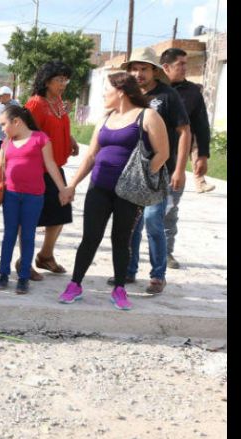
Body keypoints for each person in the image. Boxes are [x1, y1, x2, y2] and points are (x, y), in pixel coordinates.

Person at [58, 73, 169, 310]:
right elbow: (90, 156)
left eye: (106, 90)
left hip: (128, 193)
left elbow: (163, 153)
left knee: (121, 240)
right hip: (98, 187)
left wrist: (139, 178)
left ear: (120, 91)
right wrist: (72, 185)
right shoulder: (105, 118)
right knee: (90, 238)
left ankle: (119, 288)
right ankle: (75, 284)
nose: (103, 95)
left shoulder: (147, 115)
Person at [122, 48, 191, 294]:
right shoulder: (127, 95)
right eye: (134, 69)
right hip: (131, 171)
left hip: (160, 170)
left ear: (154, 71)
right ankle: (128, 271)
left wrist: (180, 169)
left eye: (144, 69)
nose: (138, 73)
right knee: (131, 223)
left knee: (153, 221)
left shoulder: (167, 95)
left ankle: (157, 275)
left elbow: (184, 131)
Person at [0, 105, 70, 294]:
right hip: (10, 195)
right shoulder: (7, 142)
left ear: (17, 121)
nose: (2, 128)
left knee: (28, 236)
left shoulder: (40, 139)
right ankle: (3, 274)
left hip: (33, 197)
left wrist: (63, 189)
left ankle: (23, 277)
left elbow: (51, 165)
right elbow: (0, 167)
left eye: (4, 124)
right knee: (9, 235)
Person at [23, 61, 79, 280]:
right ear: (47, 81)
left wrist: (70, 139)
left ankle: (45, 255)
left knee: (60, 214)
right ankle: (24, 262)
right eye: (59, 80)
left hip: (55, 168)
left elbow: (59, 126)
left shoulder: (57, 102)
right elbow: (25, 134)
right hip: (37, 169)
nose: (63, 84)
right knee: (30, 218)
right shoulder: (35, 104)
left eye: (66, 79)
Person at [161, 47, 215, 269]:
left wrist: (202, 155)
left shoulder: (192, 92)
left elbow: (201, 124)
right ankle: (128, 253)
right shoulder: (152, 88)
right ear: (165, 67)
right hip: (145, 159)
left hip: (176, 160)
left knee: (170, 208)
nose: (185, 67)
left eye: (185, 63)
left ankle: (165, 252)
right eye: (180, 64)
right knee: (133, 211)